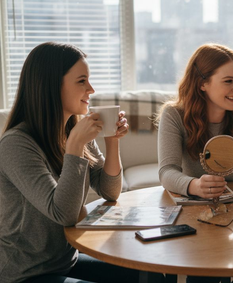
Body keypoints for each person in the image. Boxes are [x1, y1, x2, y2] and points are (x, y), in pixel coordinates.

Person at [0, 42, 139, 282]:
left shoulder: (72, 130)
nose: (91, 89)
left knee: (148, 273)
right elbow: (64, 213)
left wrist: (112, 139)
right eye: (82, 81)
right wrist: (74, 146)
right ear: (52, 86)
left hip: (65, 262)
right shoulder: (16, 145)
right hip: (26, 274)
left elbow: (109, 191)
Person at [157, 43, 233, 283]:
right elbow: (166, 172)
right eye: (228, 81)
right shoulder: (174, 115)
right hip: (194, 218)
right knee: (204, 274)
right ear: (203, 83)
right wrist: (194, 185)